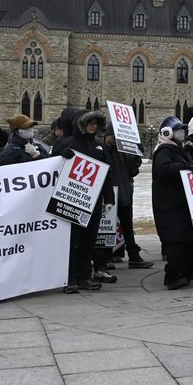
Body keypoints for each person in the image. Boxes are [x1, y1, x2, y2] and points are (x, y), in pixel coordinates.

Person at [53, 108, 111, 293]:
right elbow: (50, 167)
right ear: (82, 124)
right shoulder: (66, 143)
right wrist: (61, 155)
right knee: (72, 243)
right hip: (70, 201)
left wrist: (109, 198)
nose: (94, 126)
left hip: (92, 203)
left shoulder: (100, 147)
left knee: (88, 242)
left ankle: (85, 276)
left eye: (96, 123)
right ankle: (69, 278)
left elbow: (106, 175)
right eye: (90, 123)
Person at [150, 117, 193, 290]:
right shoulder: (164, 150)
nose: (181, 134)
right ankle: (172, 276)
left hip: (177, 204)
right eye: (178, 130)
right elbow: (163, 170)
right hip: (168, 205)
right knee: (174, 241)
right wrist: (183, 168)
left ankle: (182, 272)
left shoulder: (178, 150)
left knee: (183, 239)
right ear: (167, 133)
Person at [105, 127, 149, 268]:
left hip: (124, 193)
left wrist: (137, 156)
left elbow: (132, 171)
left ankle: (134, 256)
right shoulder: (101, 148)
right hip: (108, 194)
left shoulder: (122, 151)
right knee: (107, 227)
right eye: (114, 137)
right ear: (108, 135)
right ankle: (106, 258)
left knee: (127, 227)